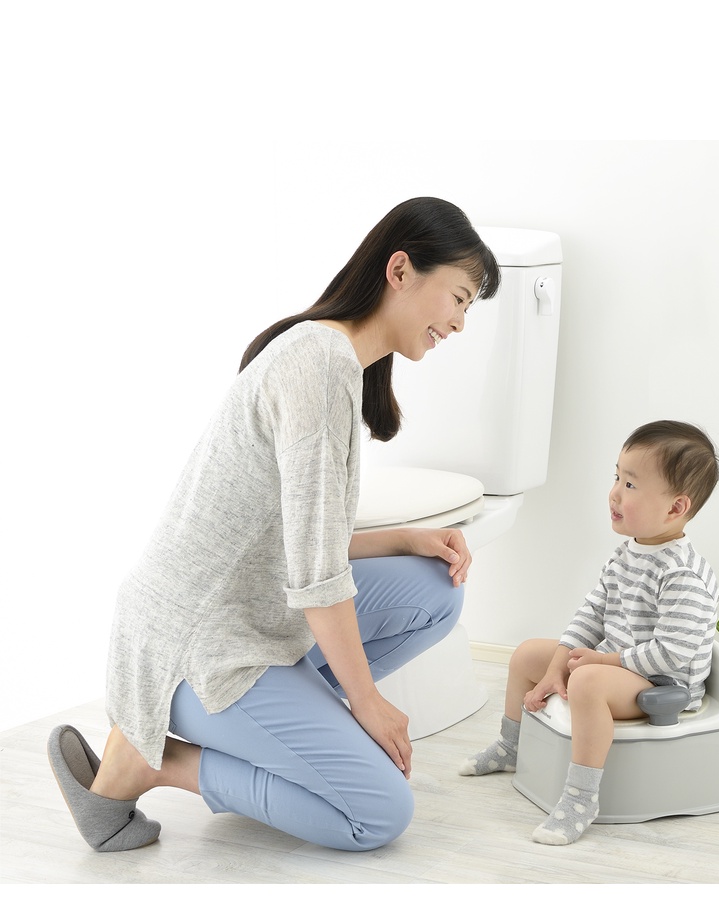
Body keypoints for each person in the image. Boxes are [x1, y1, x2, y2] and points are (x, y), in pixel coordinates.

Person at [47, 197, 501, 853]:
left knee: (435, 589)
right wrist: (367, 704)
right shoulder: (319, 364)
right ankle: (157, 763)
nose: (458, 323)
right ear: (400, 270)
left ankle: (289, 731)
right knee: (379, 813)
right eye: (458, 299)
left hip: (244, 616)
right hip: (198, 649)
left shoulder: (335, 359)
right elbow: (316, 576)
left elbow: (297, 543)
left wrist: (406, 540)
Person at [459, 420, 719, 845]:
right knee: (528, 654)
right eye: (616, 477)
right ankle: (512, 746)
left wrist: (604, 661)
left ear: (675, 508)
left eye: (630, 485)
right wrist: (555, 667)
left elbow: (672, 652)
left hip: (663, 684)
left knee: (586, 681)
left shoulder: (683, 574)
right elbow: (592, 614)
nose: (614, 493)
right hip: (617, 665)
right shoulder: (627, 554)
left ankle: (581, 798)